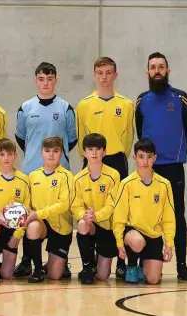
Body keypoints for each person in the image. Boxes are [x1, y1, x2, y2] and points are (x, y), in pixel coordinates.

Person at [135, 52, 187, 281]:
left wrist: (177, 153)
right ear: (148, 72)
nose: (157, 70)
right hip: (148, 170)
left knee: (176, 215)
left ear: (168, 71)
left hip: (173, 168)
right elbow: (141, 133)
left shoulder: (181, 98)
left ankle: (181, 264)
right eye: (153, 67)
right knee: (144, 216)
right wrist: (147, 161)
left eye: (161, 66)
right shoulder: (142, 100)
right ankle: (144, 262)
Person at [14, 62, 77, 278]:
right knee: (30, 216)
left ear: (56, 80)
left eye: (50, 79)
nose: (45, 83)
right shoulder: (25, 108)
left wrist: (55, 159)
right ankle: (26, 261)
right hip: (32, 170)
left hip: (59, 172)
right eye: (41, 79)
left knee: (60, 216)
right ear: (36, 81)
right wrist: (36, 157)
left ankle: (62, 260)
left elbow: (72, 138)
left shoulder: (66, 108)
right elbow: (21, 137)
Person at [76, 57, 134, 279]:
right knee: (89, 210)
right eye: (100, 73)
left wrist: (118, 155)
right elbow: (82, 136)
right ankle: (88, 261)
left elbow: (128, 138)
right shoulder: (84, 105)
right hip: (91, 160)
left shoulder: (126, 105)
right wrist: (91, 157)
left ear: (115, 75)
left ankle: (121, 260)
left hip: (116, 161)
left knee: (120, 211)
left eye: (109, 72)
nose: (104, 77)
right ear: (94, 75)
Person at [113, 139, 176, 284]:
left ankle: (144, 266)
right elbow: (119, 216)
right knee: (137, 241)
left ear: (155, 158)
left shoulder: (164, 184)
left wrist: (169, 244)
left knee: (153, 280)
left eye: (149, 156)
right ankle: (132, 265)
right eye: (141, 157)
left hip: (153, 235)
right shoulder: (126, 184)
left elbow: (169, 217)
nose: (145, 161)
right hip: (133, 233)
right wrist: (119, 243)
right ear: (134, 158)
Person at [71, 133, 120, 284]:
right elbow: (75, 205)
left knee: (103, 276)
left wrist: (96, 216)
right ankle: (87, 266)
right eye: (90, 149)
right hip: (89, 223)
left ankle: (98, 260)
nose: (94, 153)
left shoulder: (113, 175)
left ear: (104, 152)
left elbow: (112, 204)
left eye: (98, 149)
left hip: (107, 226)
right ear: (84, 152)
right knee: (82, 224)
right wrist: (84, 215)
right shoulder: (78, 178)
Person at [0, 138, 30, 284]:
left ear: (15, 155)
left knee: (8, 275)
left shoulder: (24, 180)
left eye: (9, 154)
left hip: (13, 230)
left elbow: (27, 211)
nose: (6, 158)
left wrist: (17, 235)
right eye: (2, 154)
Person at [24, 137, 74, 283]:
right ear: (41, 153)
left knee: (55, 275)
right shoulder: (33, 176)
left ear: (61, 154)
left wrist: (38, 213)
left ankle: (54, 264)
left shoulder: (66, 176)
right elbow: (29, 203)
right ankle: (37, 270)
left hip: (61, 227)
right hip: (41, 223)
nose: (51, 154)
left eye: (55, 151)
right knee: (33, 227)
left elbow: (64, 204)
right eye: (47, 151)